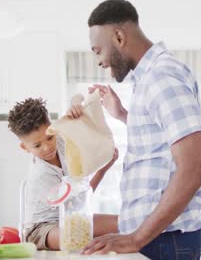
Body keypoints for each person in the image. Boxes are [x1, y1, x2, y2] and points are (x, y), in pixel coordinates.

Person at [73, 0, 201, 259]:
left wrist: (136, 238)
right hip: (159, 238)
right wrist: (124, 115)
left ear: (120, 37)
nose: (99, 61)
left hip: (165, 241)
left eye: (98, 50)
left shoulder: (161, 77)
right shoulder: (149, 80)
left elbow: (193, 171)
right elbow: (161, 141)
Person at [8, 97, 119, 250]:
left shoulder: (63, 140)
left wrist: (75, 107)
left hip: (72, 219)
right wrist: (102, 171)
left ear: (53, 128)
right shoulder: (40, 174)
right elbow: (79, 203)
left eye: (49, 138)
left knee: (122, 222)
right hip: (43, 228)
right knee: (75, 238)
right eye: (37, 145)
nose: (47, 147)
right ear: (25, 147)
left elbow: (78, 99)